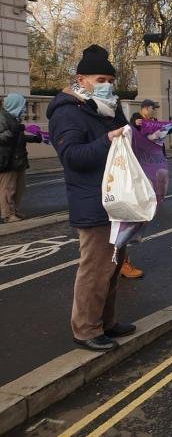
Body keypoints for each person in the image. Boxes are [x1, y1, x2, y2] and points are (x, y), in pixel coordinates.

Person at [47, 44, 133, 352]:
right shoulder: (67, 112)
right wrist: (106, 141)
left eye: (111, 80)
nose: (107, 86)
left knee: (112, 267)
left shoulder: (108, 109)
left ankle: (105, 322)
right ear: (81, 80)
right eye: (100, 79)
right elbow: (72, 157)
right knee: (95, 268)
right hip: (92, 202)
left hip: (117, 200)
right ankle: (85, 328)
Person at [120, 99, 161, 279]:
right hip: (128, 171)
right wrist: (136, 125)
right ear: (145, 108)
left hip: (142, 165)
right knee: (122, 222)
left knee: (123, 223)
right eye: (152, 108)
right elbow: (133, 136)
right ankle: (120, 263)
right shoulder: (136, 120)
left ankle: (121, 262)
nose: (153, 112)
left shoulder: (149, 122)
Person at [0, 93, 41, 222]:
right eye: (22, 105)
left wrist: (34, 138)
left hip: (18, 159)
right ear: (14, 104)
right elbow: (2, 137)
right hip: (7, 160)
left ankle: (15, 211)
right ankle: (7, 214)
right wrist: (13, 130)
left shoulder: (14, 118)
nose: (24, 109)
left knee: (19, 188)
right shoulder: (2, 118)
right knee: (8, 189)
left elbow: (18, 136)